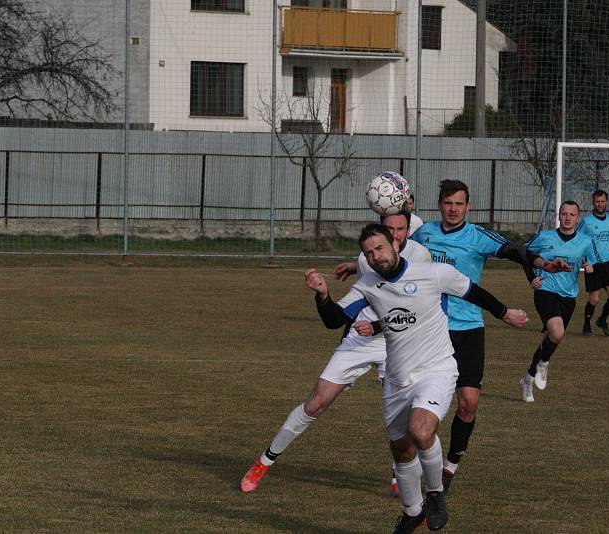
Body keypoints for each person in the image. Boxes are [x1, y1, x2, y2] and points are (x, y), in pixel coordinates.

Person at [306, 223, 529, 533]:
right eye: (368, 253)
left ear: (396, 246)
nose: (375, 256)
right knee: (401, 449)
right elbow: (334, 320)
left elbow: (473, 291)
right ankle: (412, 511)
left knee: (420, 431)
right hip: (397, 379)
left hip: (436, 369)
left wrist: (505, 313)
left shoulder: (433, 273)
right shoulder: (368, 285)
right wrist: (322, 295)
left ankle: (435, 493)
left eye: (379, 248)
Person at [240, 211, 431, 494]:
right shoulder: (369, 263)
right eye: (388, 230)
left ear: (407, 230)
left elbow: (418, 309)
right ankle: (263, 462)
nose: (394, 235)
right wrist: (323, 295)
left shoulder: (421, 258)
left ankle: (399, 474)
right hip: (362, 337)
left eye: (400, 229)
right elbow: (336, 319)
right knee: (316, 402)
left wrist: (379, 325)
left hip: (399, 341)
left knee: (402, 411)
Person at [409, 179, 570, 491]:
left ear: (468, 207)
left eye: (459, 203)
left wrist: (542, 263)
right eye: (448, 203)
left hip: (467, 330)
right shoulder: (423, 234)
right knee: (418, 402)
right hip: (427, 330)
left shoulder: (476, 235)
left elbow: (514, 250)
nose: (453, 209)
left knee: (468, 404)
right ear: (439, 204)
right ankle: (407, 461)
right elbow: (395, 259)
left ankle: (450, 465)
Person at [519, 201, 601, 402]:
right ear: (559, 215)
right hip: (545, 291)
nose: (567, 217)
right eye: (564, 213)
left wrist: (591, 268)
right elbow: (524, 255)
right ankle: (544, 363)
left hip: (569, 296)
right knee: (557, 332)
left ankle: (528, 379)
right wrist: (532, 277)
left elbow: (596, 262)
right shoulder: (545, 236)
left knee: (549, 338)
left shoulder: (585, 241)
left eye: (572, 214)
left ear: (578, 218)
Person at [578, 189, 609, 336]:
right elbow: (578, 241)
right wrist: (584, 261)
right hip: (593, 264)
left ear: (606, 202)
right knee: (594, 298)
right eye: (597, 201)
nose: (600, 204)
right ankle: (586, 324)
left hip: (608, 263)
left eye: (602, 201)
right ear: (593, 203)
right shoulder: (586, 222)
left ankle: (602, 319)